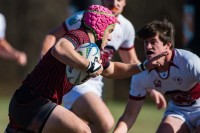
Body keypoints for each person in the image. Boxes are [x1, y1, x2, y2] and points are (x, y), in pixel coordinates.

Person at [5, 5, 167, 133]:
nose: (110, 37)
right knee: (82, 130)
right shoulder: (79, 35)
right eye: (109, 31)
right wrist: (88, 65)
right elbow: (59, 48)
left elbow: (113, 70)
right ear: (100, 27)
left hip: (27, 104)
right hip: (32, 102)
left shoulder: (92, 52)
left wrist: (143, 66)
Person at [113, 19, 200, 133]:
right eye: (146, 42)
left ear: (168, 45)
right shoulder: (141, 74)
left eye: (153, 42)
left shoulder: (189, 62)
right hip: (179, 111)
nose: (148, 47)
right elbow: (129, 117)